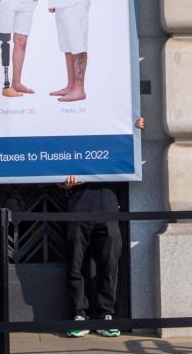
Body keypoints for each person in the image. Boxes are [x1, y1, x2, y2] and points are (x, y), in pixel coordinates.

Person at [64, 117, 145, 339]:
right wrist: (61, 181)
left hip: (109, 203)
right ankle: (79, 314)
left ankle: (106, 314)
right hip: (78, 204)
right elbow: (53, 166)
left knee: (109, 264)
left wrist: (136, 131)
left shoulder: (112, 123)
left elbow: (133, 156)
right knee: (75, 264)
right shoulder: (70, 131)